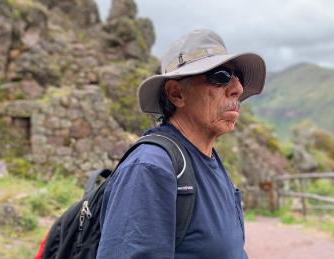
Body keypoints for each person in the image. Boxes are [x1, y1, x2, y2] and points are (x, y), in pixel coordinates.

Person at [97, 29, 266, 258]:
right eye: (221, 76)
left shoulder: (209, 160)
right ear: (177, 94)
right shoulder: (150, 168)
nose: (238, 88)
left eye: (239, 78)